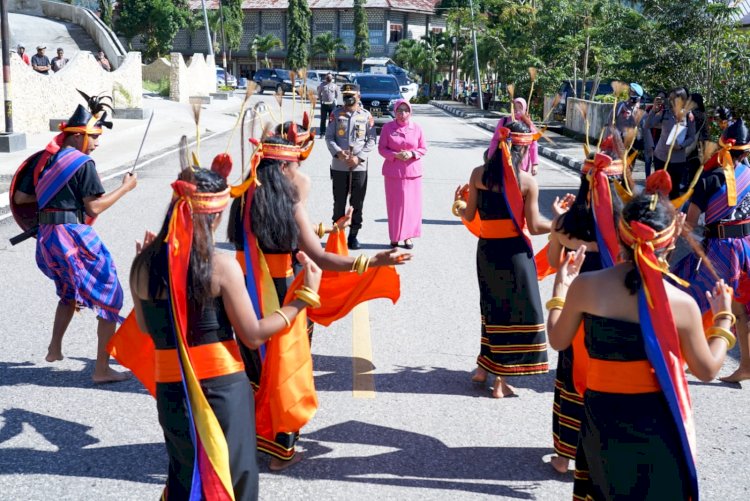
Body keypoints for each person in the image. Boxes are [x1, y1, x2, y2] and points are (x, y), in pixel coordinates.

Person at [130, 159, 322, 499]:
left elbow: (146, 328)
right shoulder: (220, 266)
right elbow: (254, 334)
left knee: (185, 473)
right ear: (216, 216)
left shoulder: (142, 262)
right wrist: (304, 297)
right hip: (222, 389)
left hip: (172, 390)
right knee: (234, 477)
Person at [547, 192, 733, 500]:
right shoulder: (682, 304)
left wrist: (561, 287)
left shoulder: (586, 286)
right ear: (671, 244)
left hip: (601, 421)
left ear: (619, 235)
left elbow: (558, 339)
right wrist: (723, 319)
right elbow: (707, 369)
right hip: (655, 427)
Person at [11, 92, 136, 382]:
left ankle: (55, 348)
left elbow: (22, 196)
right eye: (93, 137)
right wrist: (126, 188)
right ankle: (102, 370)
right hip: (73, 237)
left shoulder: (43, 161)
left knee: (68, 291)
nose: (96, 144)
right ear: (79, 136)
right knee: (110, 296)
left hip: (48, 239)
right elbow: (94, 206)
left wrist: (54, 192)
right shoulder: (83, 164)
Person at [453, 121, 567, 398]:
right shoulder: (526, 181)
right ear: (522, 149)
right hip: (515, 252)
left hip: (487, 251)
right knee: (517, 312)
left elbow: (468, 216)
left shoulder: (478, 174)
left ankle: (483, 368)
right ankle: (502, 381)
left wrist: (459, 202)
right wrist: (560, 221)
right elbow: (535, 225)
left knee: (492, 307)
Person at [545, 148, 624, 476]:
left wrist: (554, 224)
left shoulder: (566, 223)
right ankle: (602, 451)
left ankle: (564, 456)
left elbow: (552, 263)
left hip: (575, 308)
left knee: (570, 375)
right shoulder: (625, 225)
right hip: (613, 311)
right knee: (604, 379)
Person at [674, 119, 750, 383]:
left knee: (691, 296)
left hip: (721, 250)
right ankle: (746, 365)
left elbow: (691, 223)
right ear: (746, 151)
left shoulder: (709, 179)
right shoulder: (749, 176)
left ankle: (689, 356)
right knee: (740, 307)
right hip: (747, 248)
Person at [325, 82, 376, 250]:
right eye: (345, 95)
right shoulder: (336, 114)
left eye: (351, 95)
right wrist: (339, 153)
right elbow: (329, 137)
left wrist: (359, 158)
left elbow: (371, 140)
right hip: (339, 166)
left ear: (358, 96)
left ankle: (353, 235)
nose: (347, 98)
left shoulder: (366, 115)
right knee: (339, 202)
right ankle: (337, 235)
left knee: (357, 203)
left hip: (359, 167)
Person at [378, 99, 427, 249]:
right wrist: (395, 155)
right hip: (393, 172)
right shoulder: (387, 128)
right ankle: (394, 237)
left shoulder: (417, 128)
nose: (402, 114)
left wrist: (412, 153)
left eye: (405, 111)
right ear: (395, 111)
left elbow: (423, 148)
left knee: (412, 206)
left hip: (413, 173)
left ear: (410, 112)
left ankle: (408, 237)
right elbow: (381, 149)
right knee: (395, 206)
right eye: (399, 110)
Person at [647, 87, 697, 199]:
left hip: (677, 160)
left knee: (674, 191)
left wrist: (680, 146)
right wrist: (654, 110)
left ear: (683, 99)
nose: (672, 101)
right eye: (671, 98)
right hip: (660, 156)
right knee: (658, 190)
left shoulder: (689, 116)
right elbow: (648, 125)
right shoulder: (664, 112)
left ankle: (672, 214)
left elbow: (691, 137)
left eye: (675, 98)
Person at [490, 97, 540, 175]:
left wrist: (535, 164)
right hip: (504, 160)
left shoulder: (529, 125)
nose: (517, 110)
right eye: (515, 107)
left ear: (525, 109)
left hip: (522, 163)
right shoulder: (504, 122)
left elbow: (533, 145)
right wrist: (490, 157)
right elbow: (495, 140)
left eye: (520, 107)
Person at [317, 73, 340, 137]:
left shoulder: (335, 85)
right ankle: (322, 133)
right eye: (328, 77)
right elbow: (319, 93)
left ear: (332, 78)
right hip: (324, 104)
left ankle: (330, 133)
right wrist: (321, 100)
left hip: (331, 105)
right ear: (325, 78)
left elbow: (337, 94)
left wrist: (335, 100)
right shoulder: (322, 85)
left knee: (332, 120)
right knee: (323, 119)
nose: (329, 78)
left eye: (330, 77)